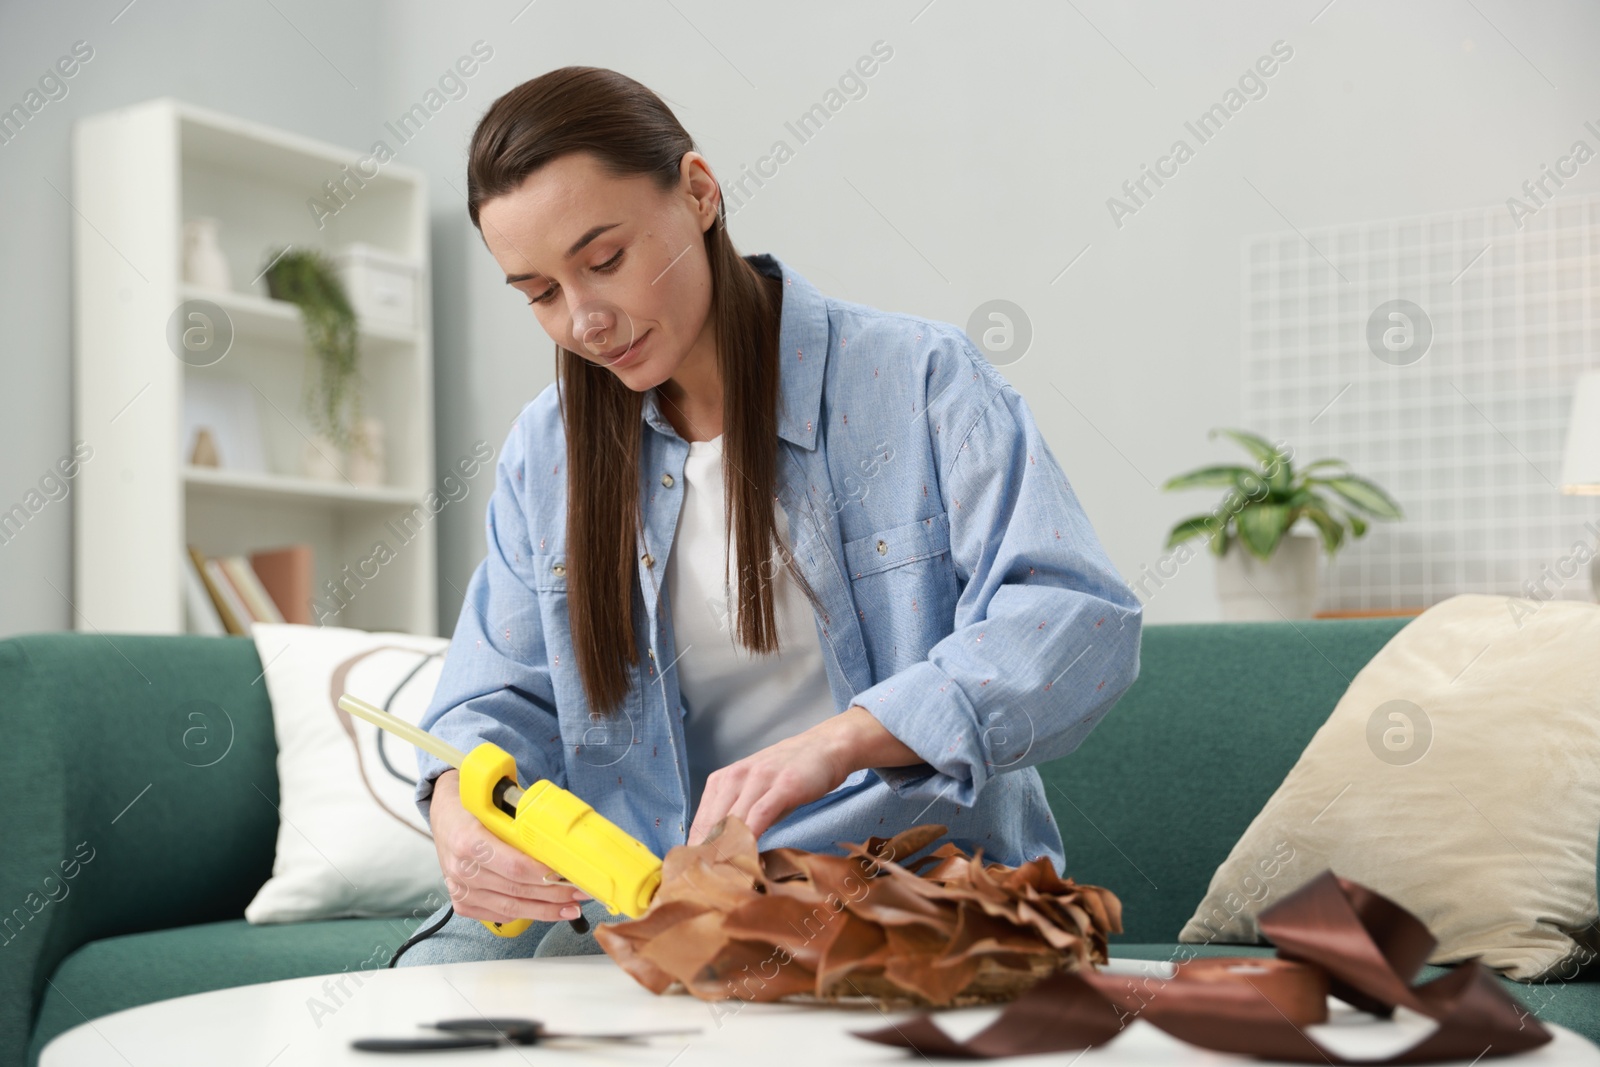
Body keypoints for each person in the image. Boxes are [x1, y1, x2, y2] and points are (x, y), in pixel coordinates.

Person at [393, 65, 1142, 967]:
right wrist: (456, 813)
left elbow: (1076, 620)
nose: (584, 321)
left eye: (604, 261)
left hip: (893, 900)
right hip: (637, 916)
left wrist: (842, 742)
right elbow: (493, 699)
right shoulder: (545, 452)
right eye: (541, 293)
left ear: (699, 193)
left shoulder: (920, 382)